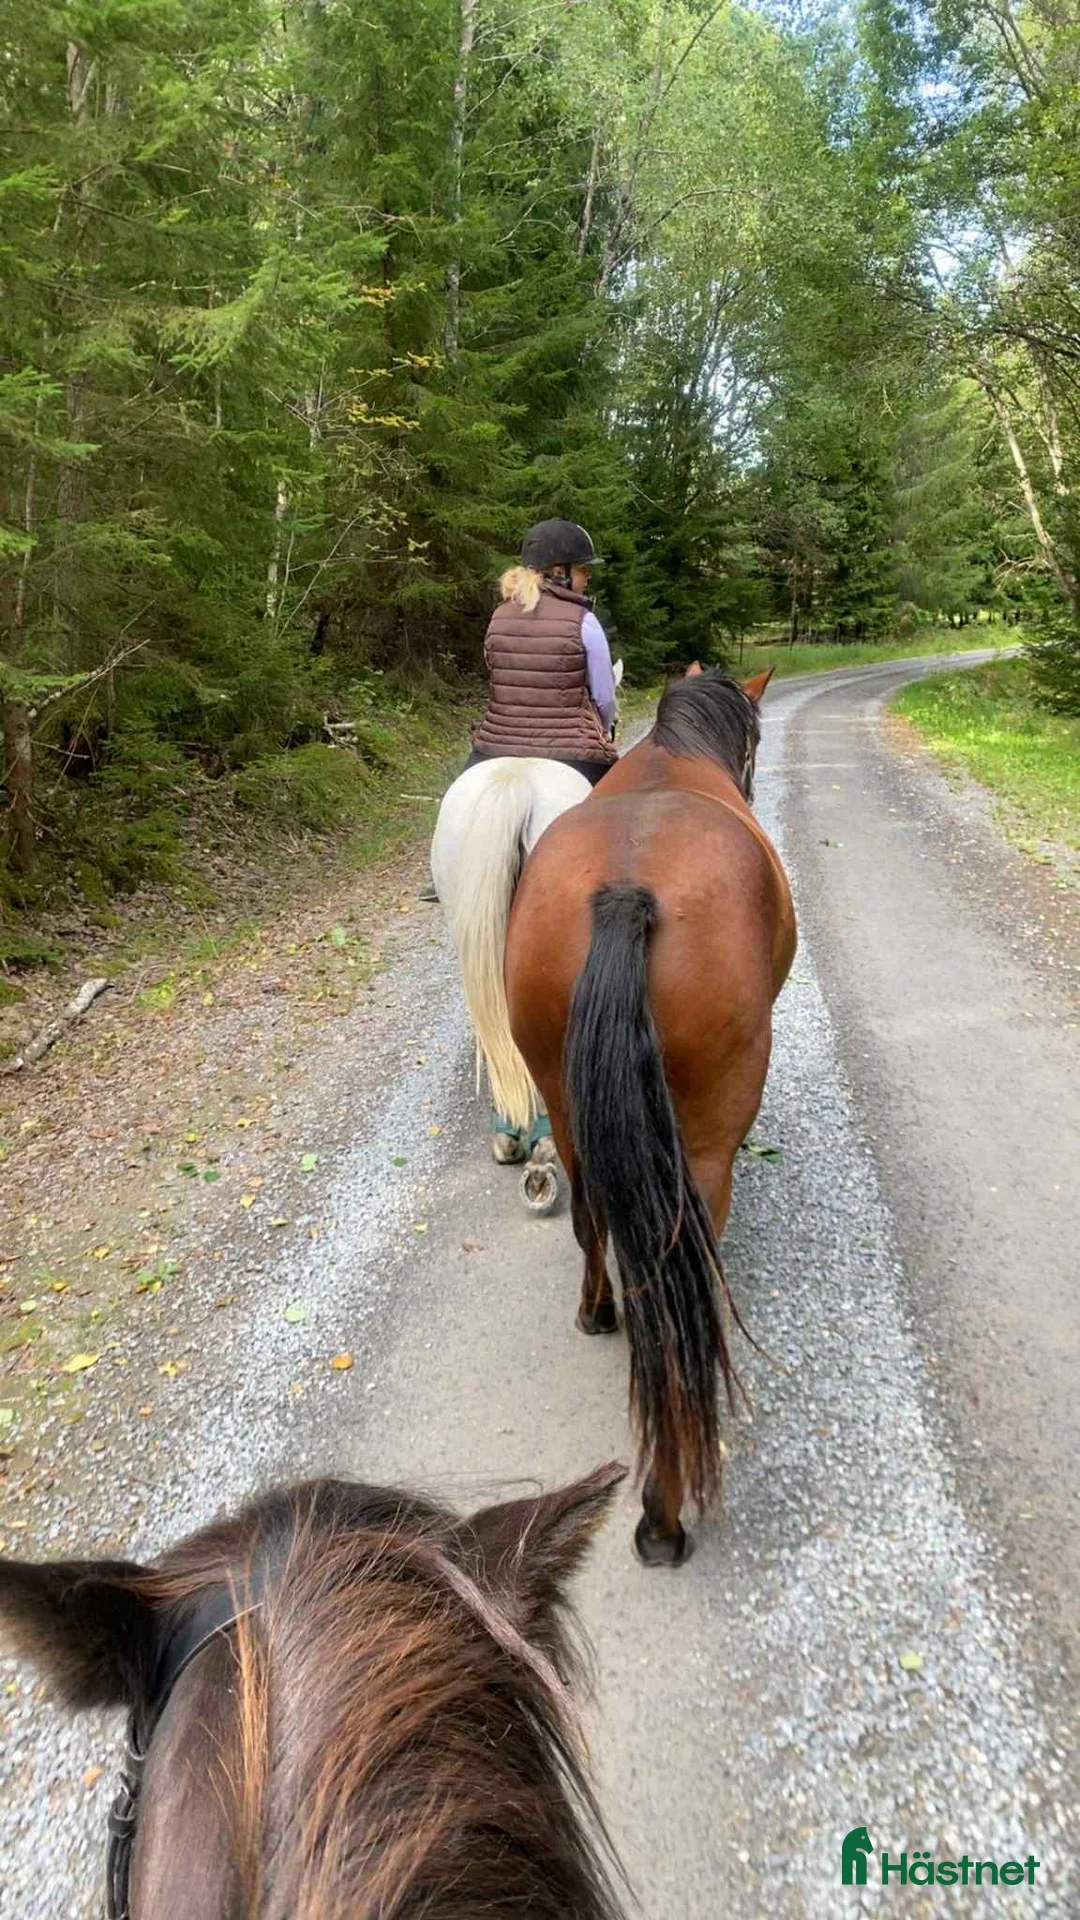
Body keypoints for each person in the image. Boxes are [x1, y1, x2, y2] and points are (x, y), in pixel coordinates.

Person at [418, 520, 618, 900]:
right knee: (623, 813)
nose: (587, 578)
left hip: (497, 741)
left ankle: (442, 878)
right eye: (583, 569)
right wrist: (605, 728)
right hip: (571, 745)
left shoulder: (499, 615)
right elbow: (605, 696)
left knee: (460, 799)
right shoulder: (584, 621)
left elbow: (496, 672)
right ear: (559, 571)